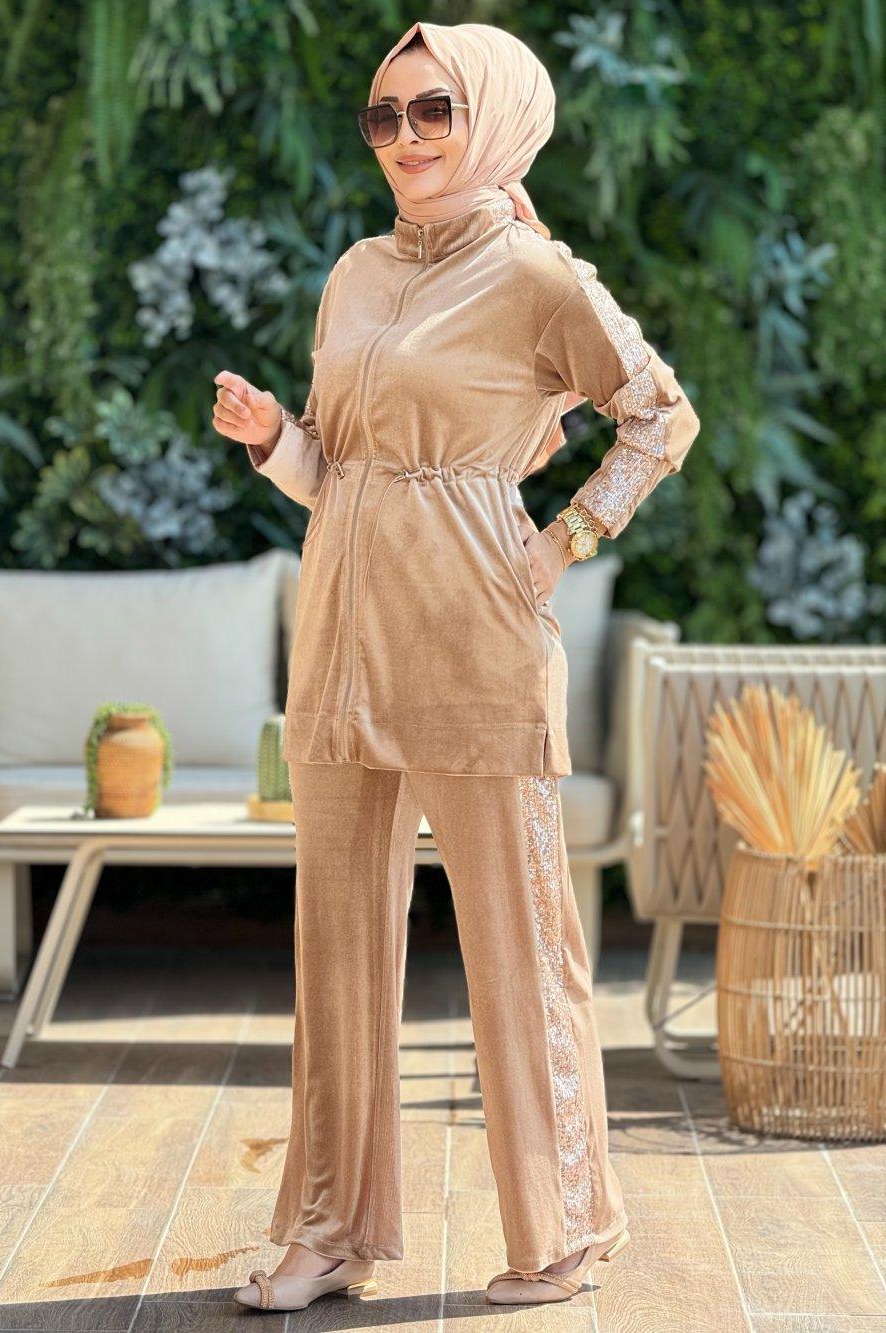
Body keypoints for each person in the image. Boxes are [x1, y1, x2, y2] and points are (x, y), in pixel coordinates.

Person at [213, 19, 700, 1312]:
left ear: (493, 117)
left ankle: (567, 1229)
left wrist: (561, 543)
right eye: (385, 117)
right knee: (334, 949)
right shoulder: (355, 273)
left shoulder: (537, 273)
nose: (406, 138)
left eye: (434, 109)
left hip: (476, 636)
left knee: (519, 941)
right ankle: (329, 1230)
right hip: (341, 632)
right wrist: (274, 438)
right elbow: (339, 473)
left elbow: (661, 415)